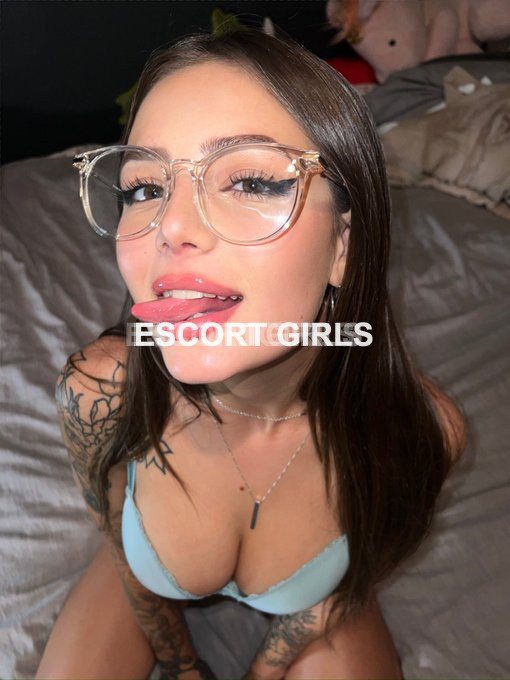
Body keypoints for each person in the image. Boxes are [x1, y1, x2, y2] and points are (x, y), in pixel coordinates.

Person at [36, 26, 466, 680]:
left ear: (343, 245)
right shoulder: (99, 391)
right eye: (145, 189)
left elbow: (356, 579)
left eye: (251, 182)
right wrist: (182, 666)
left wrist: (265, 670)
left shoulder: (420, 429)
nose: (170, 227)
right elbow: (117, 540)